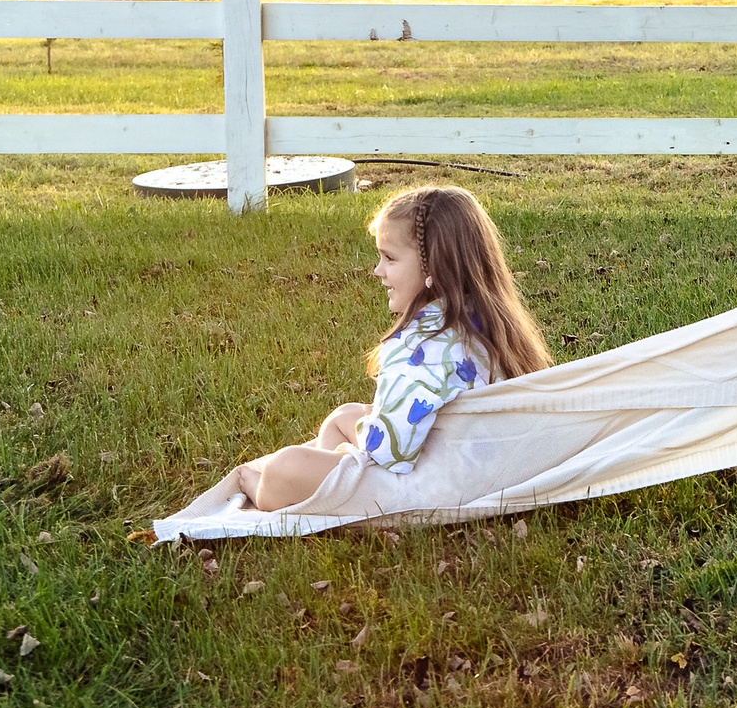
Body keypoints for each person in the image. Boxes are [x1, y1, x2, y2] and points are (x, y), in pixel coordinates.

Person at [212, 185, 551, 512]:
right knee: (344, 416)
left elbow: (391, 451)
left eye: (389, 258)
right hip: (473, 462)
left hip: (429, 485)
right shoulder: (484, 322)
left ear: (433, 266)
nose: (378, 271)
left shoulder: (423, 346)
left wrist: (359, 445)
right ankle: (329, 481)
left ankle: (266, 488)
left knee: (285, 467)